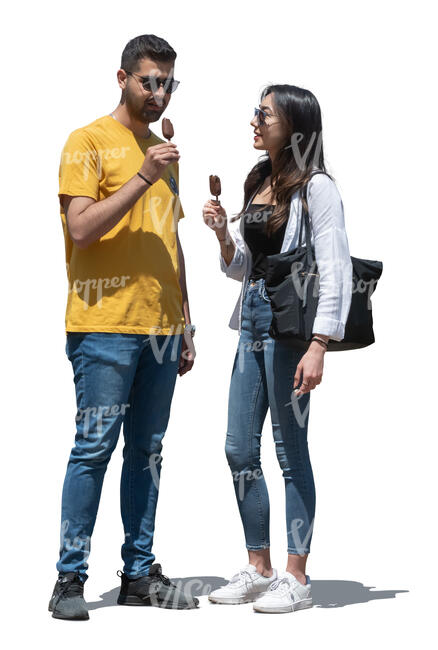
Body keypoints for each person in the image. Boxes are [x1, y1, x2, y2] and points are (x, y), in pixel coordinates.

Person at [49, 34, 198, 621]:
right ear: (123, 79)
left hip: (161, 327)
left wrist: (186, 321)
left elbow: (171, 241)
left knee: (148, 452)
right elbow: (81, 227)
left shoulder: (163, 152)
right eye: (149, 81)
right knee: (93, 449)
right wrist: (139, 176)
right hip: (104, 324)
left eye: (168, 83)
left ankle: (139, 573)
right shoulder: (86, 142)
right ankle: (68, 578)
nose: (159, 92)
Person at [203, 85, 353, 614]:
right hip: (252, 321)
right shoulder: (260, 181)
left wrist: (320, 344)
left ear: (292, 125)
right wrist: (225, 235)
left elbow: (335, 266)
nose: (254, 120)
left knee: (290, 452)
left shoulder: (316, 188)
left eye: (263, 113)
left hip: (292, 331)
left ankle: (297, 576)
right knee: (239, 448)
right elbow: (248, 265)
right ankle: (258, 565)